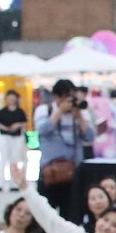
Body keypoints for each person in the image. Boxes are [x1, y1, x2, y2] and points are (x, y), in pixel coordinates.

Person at [34, 79, 91, 215]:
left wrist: (79, 117)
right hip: (50, 171)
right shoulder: (45, 110)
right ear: (57, 97)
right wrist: (59, 112)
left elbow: (90, 137)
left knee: (71, 215)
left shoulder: (79, 113)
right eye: (66, 97)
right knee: (46, 215)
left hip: (72, 171)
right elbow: (42, 131)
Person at [0, 90, 28, 190]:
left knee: (14, 160)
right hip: (5, 137)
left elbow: (24, 123)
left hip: (16, 137)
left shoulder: (20, 112)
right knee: (3, 159)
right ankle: (0, 182)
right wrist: (5, 128)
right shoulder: (2, 111)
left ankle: (14, 183)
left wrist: (17, 125)